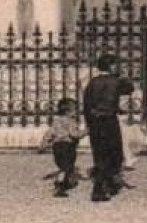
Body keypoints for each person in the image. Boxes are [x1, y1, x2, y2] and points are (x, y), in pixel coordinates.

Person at [82, 54, 134, 201]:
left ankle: (101, 185)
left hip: (95, 121)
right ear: (111, 66)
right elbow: (130, 88)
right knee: (113, 151)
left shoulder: (92, 82)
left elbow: (86, 103)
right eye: (116, 65)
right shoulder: (115, 81)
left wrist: (89, 123)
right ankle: (107, 185)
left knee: (99, 153)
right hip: (109, 120)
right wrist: (123, 76)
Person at [42, 97, 84, 196]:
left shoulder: (56, 121)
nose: (76, 113)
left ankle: (64, 181)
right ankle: (60, 186)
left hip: (56, 146)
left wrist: (43, 144)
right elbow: (74, 134)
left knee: (62, 166)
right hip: (67, 146)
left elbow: (49, 133)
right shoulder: (71, 121)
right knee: (66, 167)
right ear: (68, 112)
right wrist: (86, 132)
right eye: (75, 110)